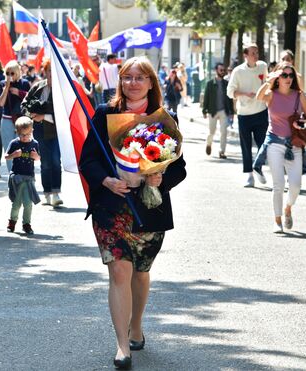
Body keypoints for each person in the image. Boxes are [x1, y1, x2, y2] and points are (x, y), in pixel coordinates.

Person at [79, 56, 186, 370]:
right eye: (127, 77)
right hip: (112, 207)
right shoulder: (104, 114)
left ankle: (135, 325)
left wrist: (160, 178)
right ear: (119, 81)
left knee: (140, 272)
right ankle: (121, 345)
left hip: (149, 209)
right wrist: (107, 180)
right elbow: (89, 160)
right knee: (119, 272)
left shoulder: (164, 117)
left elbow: (179, 168)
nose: (133, 83)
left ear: (151, 83)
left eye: (140, 78)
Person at [255, 63, 306, 233]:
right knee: (278, 184)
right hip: (274, 144)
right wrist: (268, 81)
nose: (288, 78)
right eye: (285, 75)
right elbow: (259, 97)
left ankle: (288, 207)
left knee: (295, 186)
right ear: (278, 78)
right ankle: (277, 220)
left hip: (294, 144)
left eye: (291, 75)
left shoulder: (298, 96)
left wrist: (302, 122)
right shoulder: (271, 94)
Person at [21, 60, 63, 207]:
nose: (52, 74)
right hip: (40, 132)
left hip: (58, 132)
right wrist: (32, 115)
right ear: (45, 72)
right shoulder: (37, 87)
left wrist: (44, 116)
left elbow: (64, 113)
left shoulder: (62, 90)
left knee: (56, 161)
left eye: (54, 71)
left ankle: (56, 192)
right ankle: (47, 193)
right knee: (45, 163)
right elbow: (24, 105)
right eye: (49, 70)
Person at [227, 43, 269, 187]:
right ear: (245, 55)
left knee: (263, 144)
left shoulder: (263, 66)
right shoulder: (238, 71)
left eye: (257, 53)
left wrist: (265, 95)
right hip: (244, 114)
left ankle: (258, 167)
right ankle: (249, 175)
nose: (256, 56)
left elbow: (267, 83)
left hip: (261, 111)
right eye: (253, 53)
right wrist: (244, 94)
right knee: (246, 146)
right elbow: (230, 92)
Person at [4, 116, 40, 235]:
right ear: (17, 132)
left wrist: (36, 157)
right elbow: (6, 156)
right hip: (17, 177)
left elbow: (39, 158)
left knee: (28, 203)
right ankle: (12, 221)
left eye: (27, 134)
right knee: (16, 202)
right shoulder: (14, 143)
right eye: (22, 135)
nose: (24, 137)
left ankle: (26, 224)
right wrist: (13, 155)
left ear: (32, 131)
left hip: (29, 178)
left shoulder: (35, 144)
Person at [0, 60, 31, 173]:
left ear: (17, 72)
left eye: (12, 73)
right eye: (7, 73)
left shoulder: (24, 83)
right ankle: (12, 174)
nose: (10, 76)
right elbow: (0, 103)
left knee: (24, 146)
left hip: (22, 120)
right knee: (9, 148)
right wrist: (6, 88)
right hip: (6, 119)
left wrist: (19, 93)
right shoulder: (2, 83)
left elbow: (31, 99)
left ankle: (24, 172)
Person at [202, 63, 234, 159]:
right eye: (221, 70)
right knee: (212, 131)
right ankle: (209, 143)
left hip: (223, 111)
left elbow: (230, 98)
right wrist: (204, 110)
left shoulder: (226, 84)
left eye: (223, 70)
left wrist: (232, 112)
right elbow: (206, 98)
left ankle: (222, 151)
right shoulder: (210, 83)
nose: (222, 72)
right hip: (212, 111)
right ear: (216, 70)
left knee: (223, 131)